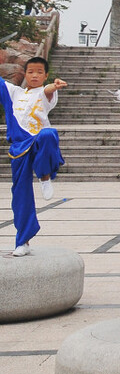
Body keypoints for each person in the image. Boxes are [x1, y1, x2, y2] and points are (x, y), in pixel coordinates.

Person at [0, 57, 67, 256]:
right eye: (30, 72)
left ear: (45, 75)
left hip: (38, 142)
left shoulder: (45, 93)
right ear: (25, 74)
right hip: (19, 148)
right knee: (20, 195)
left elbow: (46, 91)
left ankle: (45, 176)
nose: (34, 75)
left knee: (49, 134)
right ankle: (23, 241)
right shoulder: (14, 92)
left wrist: (53, 87)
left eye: (39, 72)